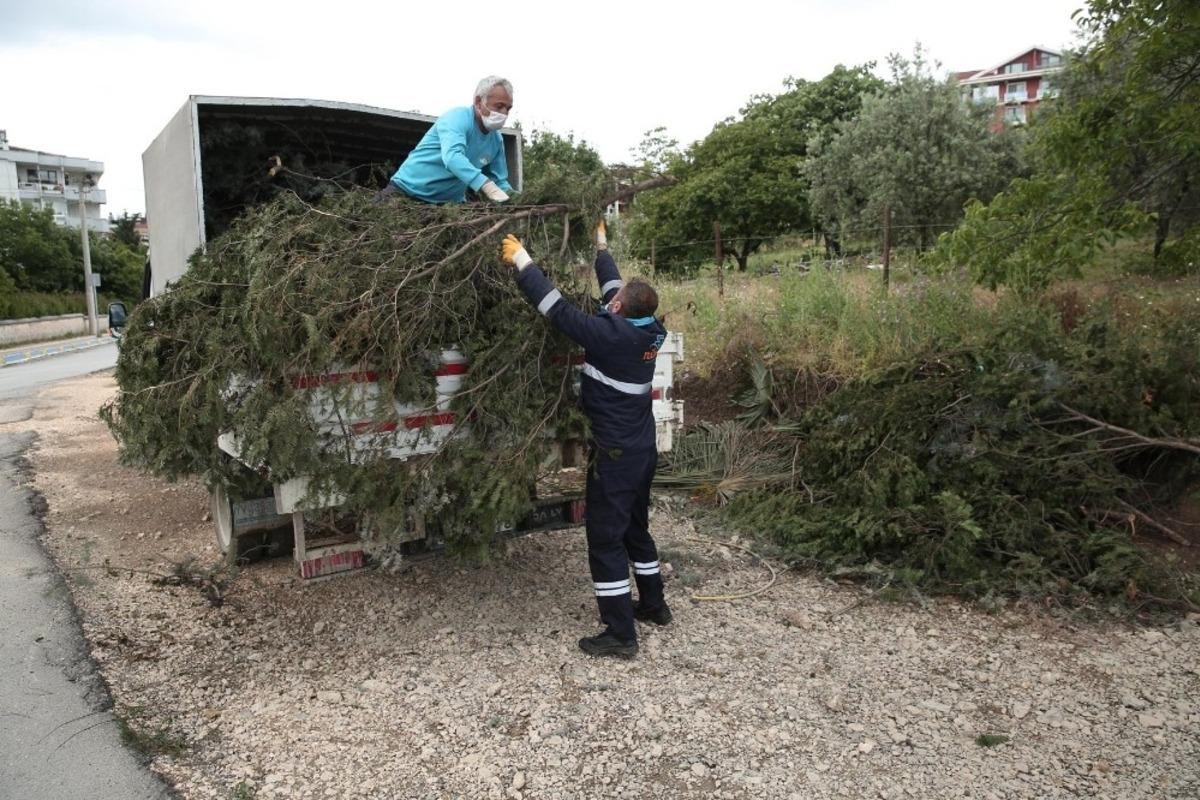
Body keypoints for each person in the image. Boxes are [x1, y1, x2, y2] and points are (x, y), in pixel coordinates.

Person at [500, 221, 672, 659]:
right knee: (636, 528)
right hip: (641, 450)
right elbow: (616, 284)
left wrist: (522, 261)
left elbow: (557, 309)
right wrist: (601, 247)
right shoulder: (650, 330)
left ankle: (619, 633)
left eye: (614, 301)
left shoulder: (609, 336)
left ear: (620, 312)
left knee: (605, 538)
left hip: (615, 456)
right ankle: (653, 605)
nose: (609, 299)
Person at [386, 76, 516, 204]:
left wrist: (515, 200)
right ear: (478, 102)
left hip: (447, 207)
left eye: (508, 108)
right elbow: (452, 157)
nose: (504, 113)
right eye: (499, 106)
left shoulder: (496, 140)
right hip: (406, 192)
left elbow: (499, 181)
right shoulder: (457, 118)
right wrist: (485, 184)